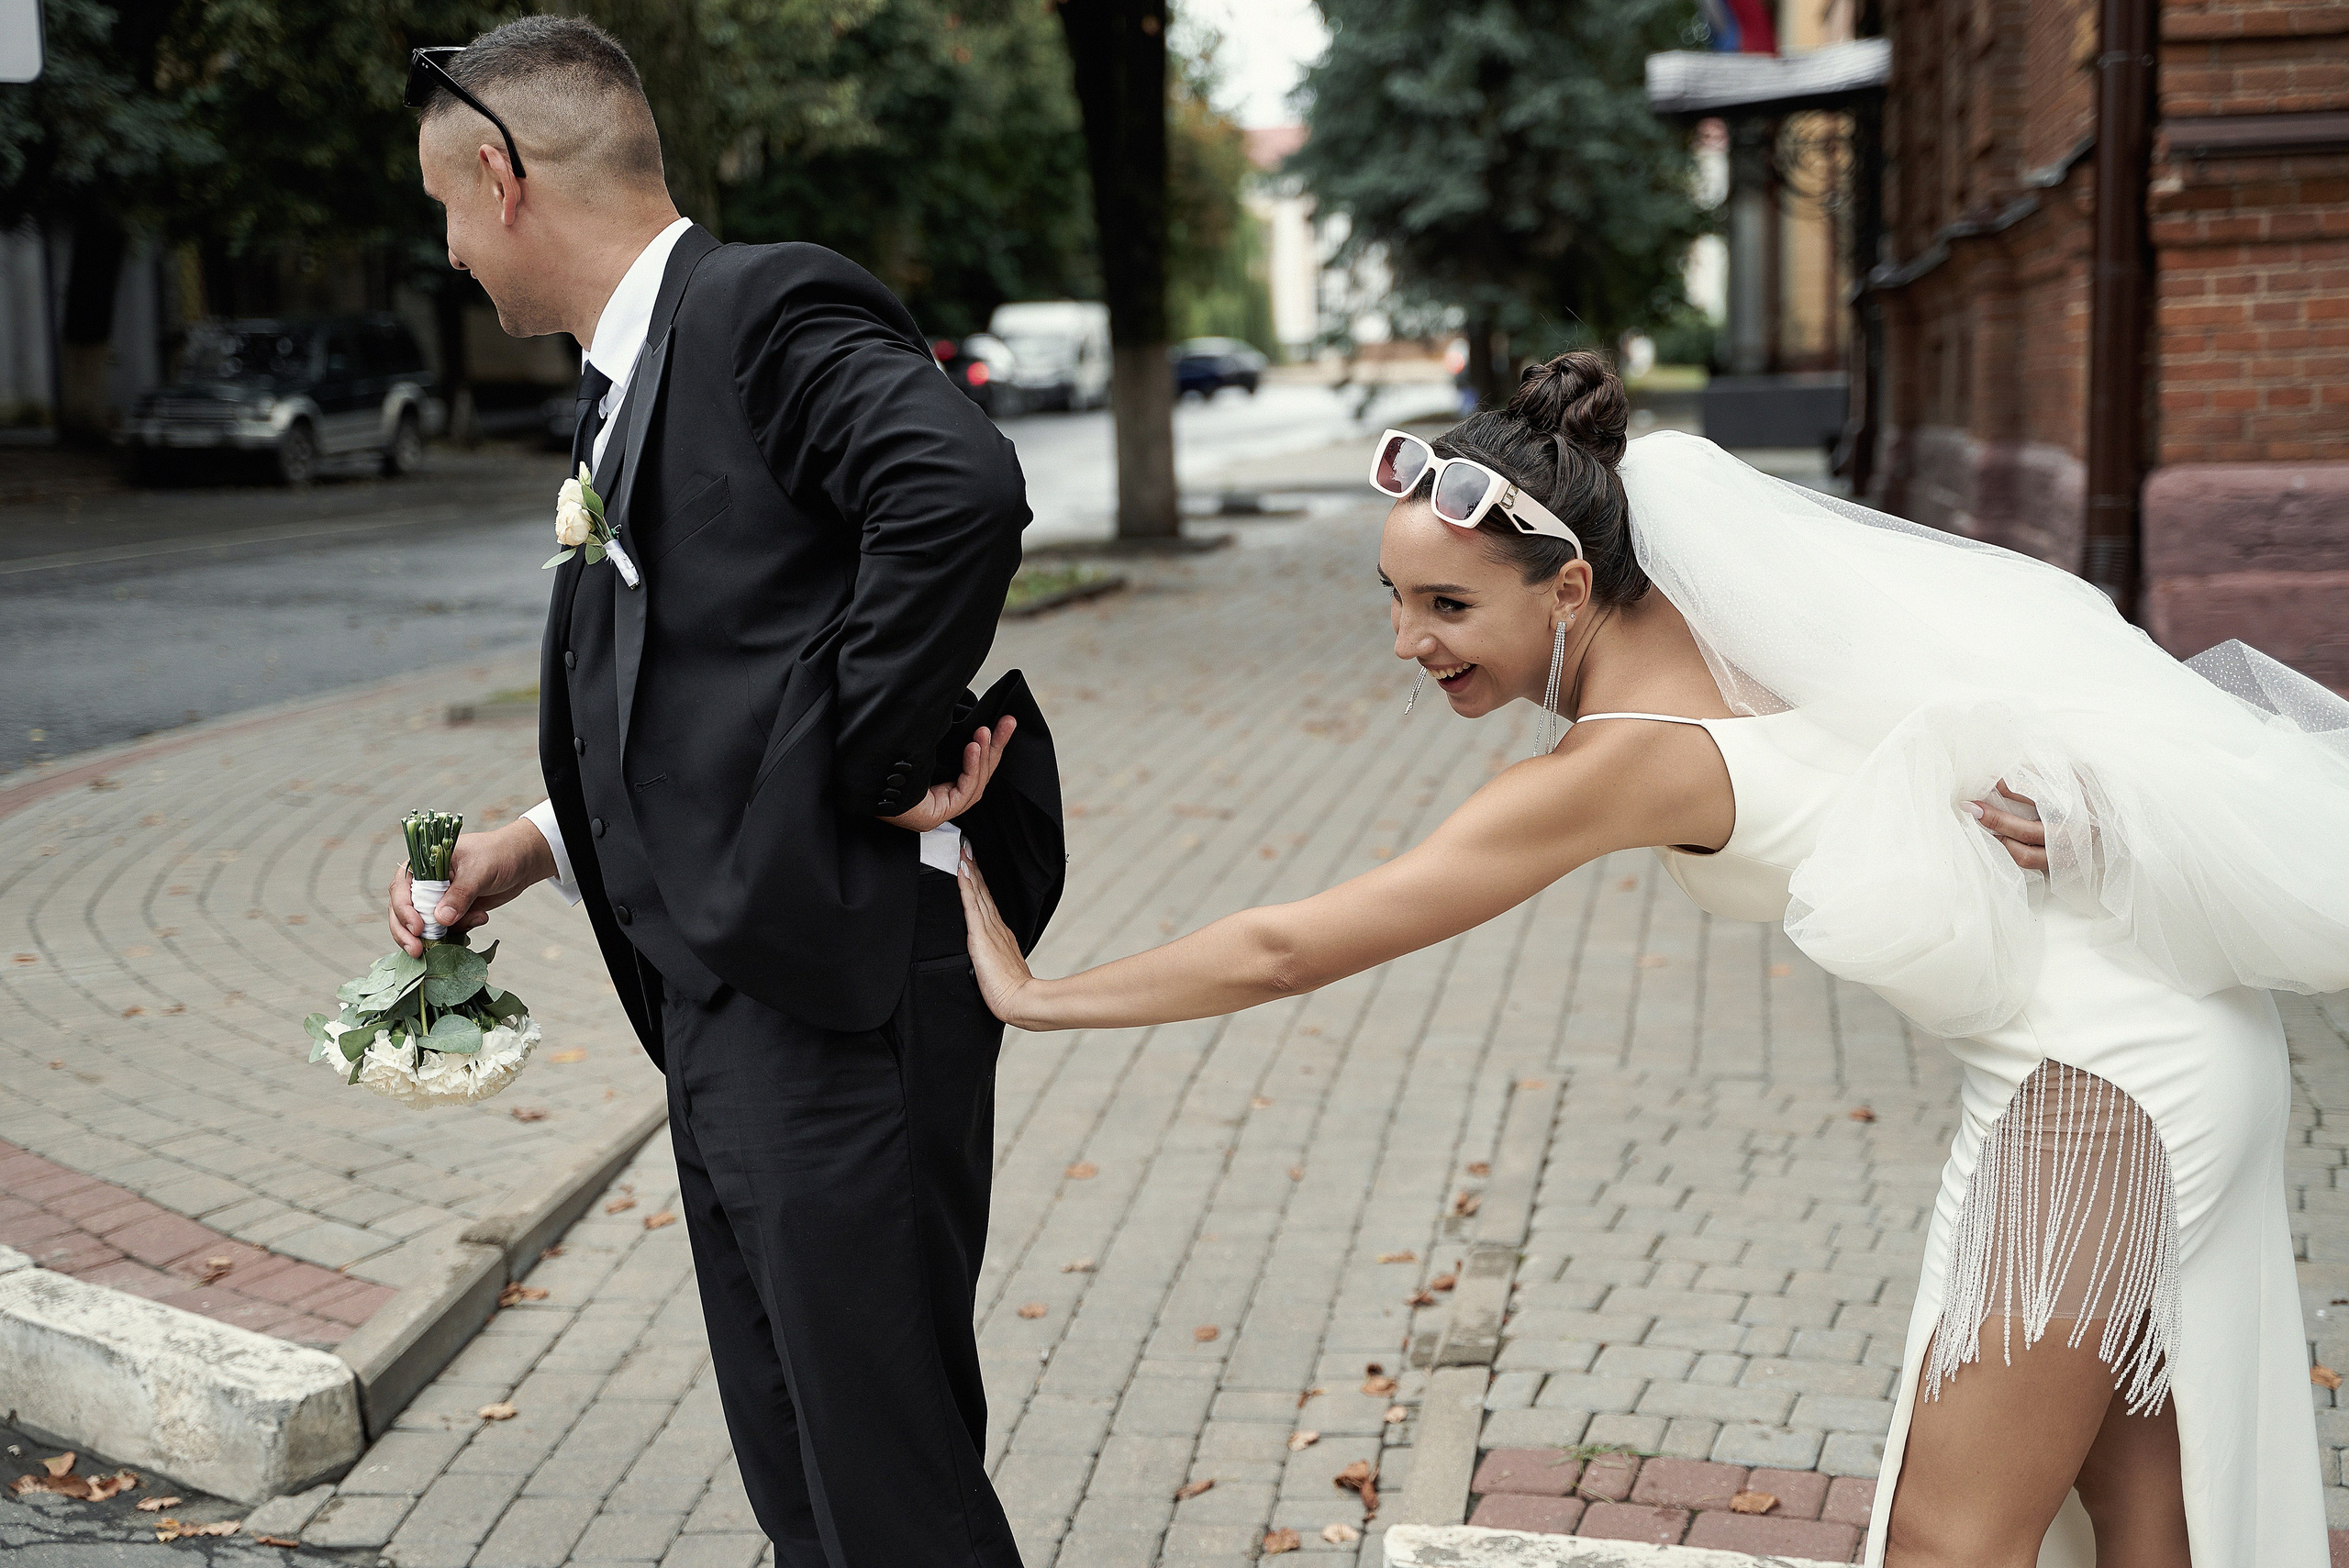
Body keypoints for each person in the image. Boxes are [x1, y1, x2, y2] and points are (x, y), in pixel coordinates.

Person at [957, 351, 2349, 1567]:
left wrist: (1042, 997)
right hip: (2163, 1048)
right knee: (2139, 1508)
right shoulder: (1744, 625)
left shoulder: (1622, 762)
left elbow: (1283, 947)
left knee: (1948, 1535)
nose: (1406, 642)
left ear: (1569, 584)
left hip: (2098, 1087)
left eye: (1445, 604)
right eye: (1391, 601)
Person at [384, 17, 1061, 1567]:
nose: (447, 254)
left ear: (499, 177)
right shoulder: (625, 377)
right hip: (730, 1008)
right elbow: (712, 676)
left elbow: (957, 488)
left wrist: (864, 759)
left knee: (891, 1497)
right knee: (803, 1472)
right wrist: (536, 845)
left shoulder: (757, 304)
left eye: (440, 211)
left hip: (835, 998)